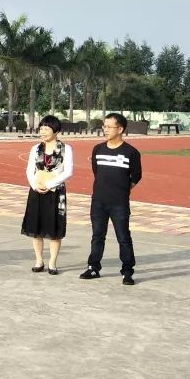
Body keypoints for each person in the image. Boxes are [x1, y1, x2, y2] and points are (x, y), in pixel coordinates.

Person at [81, 113, 143, 285]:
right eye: (104, 126)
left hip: (119, 203)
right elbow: (97, 172)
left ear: (120, 129)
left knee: (123, 237)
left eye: (109, 127)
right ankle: (94, 267)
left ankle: (127, 271)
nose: (105, 129)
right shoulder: (98, 149)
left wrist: (122, 190)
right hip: (98, 201)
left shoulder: (131, 152)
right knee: (97, 235)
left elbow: (136, 176)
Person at [22, 115, 73, 275]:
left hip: (56, 192)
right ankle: (39, 260)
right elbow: (30, 169)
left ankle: (52, 262)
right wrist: (35, 185)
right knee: (35, 227)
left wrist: (50, 184)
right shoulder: (35, 148)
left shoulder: (66, 149)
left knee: (54, 228)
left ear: (56, 130)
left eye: (46, 128)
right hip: (36, 191)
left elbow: (68, 171)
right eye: (41, 128)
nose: (42, 132)